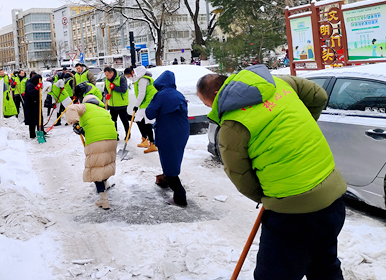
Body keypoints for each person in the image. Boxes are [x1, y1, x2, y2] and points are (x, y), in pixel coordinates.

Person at [196, 65, 347, 280]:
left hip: (291, 217)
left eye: (207, 104)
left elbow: (241, 177)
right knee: (324, 265)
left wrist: (269, 197)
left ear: (215, 94)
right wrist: (299, 128)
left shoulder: (232, 125)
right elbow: (318, 95)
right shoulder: (277, 83)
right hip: (332, 200)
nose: (212, 108)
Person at [65, 95, 118, 210]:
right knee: (105, 164)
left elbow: (71, 108)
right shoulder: (104, 110)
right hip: (112, 139)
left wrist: (75, 123)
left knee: (95, 169)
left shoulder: (85, 107)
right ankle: (105, 184)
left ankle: (103, 199)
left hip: (96, 141)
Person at [146, 70, 190, 207]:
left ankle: (180, 197)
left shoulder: (161, 95)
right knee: (173, 159)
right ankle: (165, 180)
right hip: (182, 131)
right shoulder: (179, 94)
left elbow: (149, 113)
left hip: (168, 133)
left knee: (169, 163)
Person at [124, 66, 157, 153]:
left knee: (147, 123)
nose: (129, 78)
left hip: (149, 103)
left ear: (132, 73)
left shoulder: (143, 79)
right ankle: (145, 139)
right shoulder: (137, 80)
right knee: (138, 119)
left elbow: (141, 94)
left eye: (128, 76)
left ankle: (152, 144)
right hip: (144, 103)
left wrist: (136, 105)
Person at [103, 66, 129, 140]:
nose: (107, 77)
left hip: (121, 104)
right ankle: (115, 134)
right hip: (112, 104)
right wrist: (106, 94)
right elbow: (106, 89)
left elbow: (124, 89)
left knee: (124, 120)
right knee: (113, 121)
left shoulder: (121, 78)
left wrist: (114, 87)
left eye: (107, 75)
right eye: (105, 75)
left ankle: (127, 134)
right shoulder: (106, 80)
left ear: (112, 73)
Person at [23, 74, 43, 139]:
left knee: (39, 119)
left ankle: (41, 132)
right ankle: (32, 135)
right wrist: (37, 88)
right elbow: (31, 93)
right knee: (32, 121)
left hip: (36, 104)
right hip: (31, 106)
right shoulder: (29, 84)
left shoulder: (33, 83)